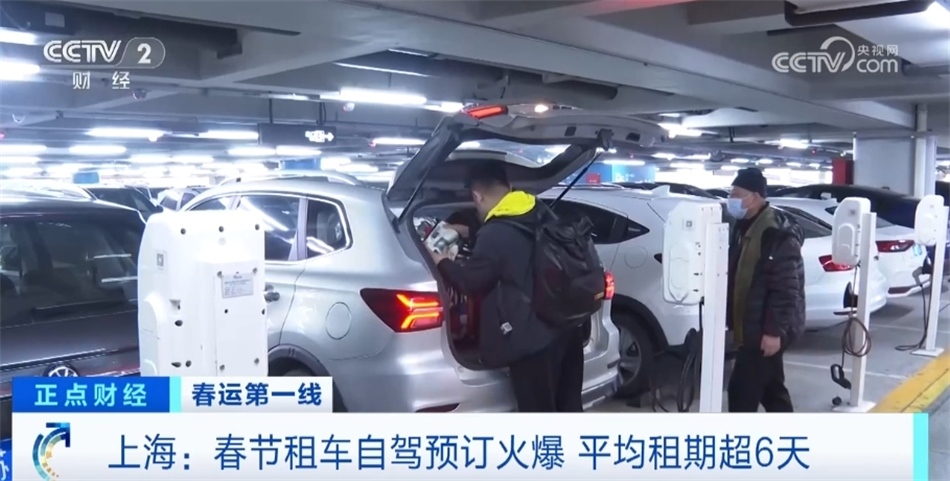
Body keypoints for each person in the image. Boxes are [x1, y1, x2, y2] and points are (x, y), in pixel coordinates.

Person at [431, 161, 586, 412]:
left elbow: (471, 283)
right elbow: (516, 241)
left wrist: (441, 262)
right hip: (566, 330)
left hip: (533, 343)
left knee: (538, 414)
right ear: (509, 187)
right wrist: (470, 230)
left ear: (477, 196)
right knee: (569, 408)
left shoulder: (494, 234)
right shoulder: (537, 209)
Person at [725, 167, 805, 413]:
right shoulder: (745, 227)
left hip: (762, 329)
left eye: (737, 194)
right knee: (771, 390)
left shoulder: (774, 233)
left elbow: (786, 289)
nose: (732, 199)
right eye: (731, 193)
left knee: (741, 394)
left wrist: (773, 332)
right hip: (752, 324)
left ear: (755, 197)